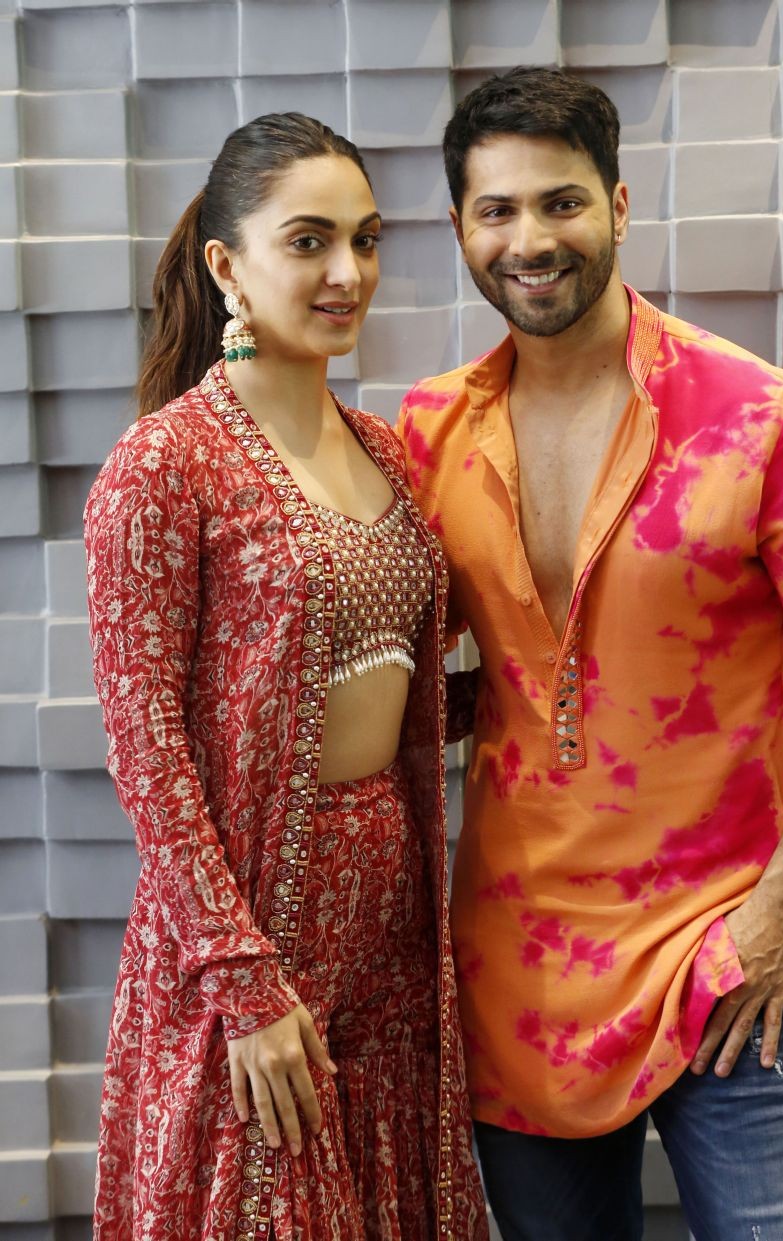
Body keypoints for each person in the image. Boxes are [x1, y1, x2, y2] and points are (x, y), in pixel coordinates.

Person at [397, 68, 783, 1241]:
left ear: (621, 207)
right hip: (517, 964)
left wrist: (777, 907)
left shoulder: (766, 414)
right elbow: (419, 668)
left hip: (726, 954)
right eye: (498, 211)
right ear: (459, 230)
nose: (531, 239)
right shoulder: (424, 432)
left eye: (561, 203)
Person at [84, 112, 487, 1241]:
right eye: (308, 240)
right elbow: (146, 740)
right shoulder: (165, 463)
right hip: (253, 936)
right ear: (226, 264)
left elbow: (376, 682)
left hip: (392, 931)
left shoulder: (385, 450)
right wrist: (240, 980)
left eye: (364, 239)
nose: (347, 272)